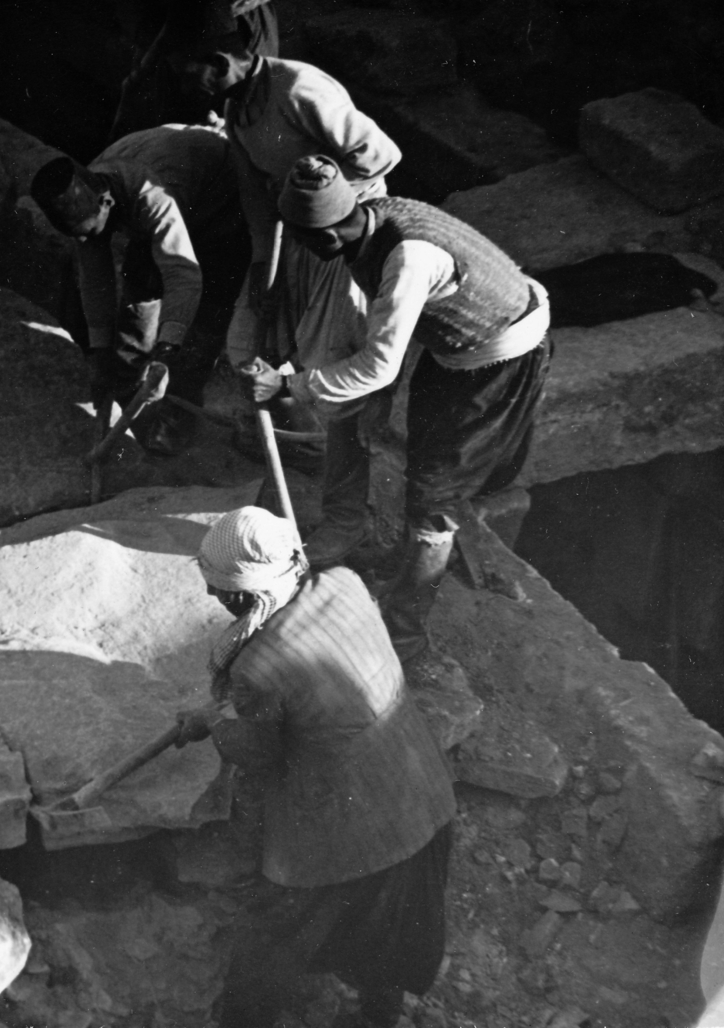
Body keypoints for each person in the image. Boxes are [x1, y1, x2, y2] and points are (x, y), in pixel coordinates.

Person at [241, 156, 552, 662]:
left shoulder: (406, 258)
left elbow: (380, 367)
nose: (300, 250)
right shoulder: (371, 217)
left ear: (325, 237)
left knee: (434, 493)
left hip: (500, 354)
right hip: (456, 345)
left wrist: (290, 386)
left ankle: (404, 633)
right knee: (422, 461)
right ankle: (406, 558)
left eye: (301, 241)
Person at [176, 506, 455, 1027]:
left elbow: (259, 753)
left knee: (270, 939)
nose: (213, 599)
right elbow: (307, 699)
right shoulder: (343, 583)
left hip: (345, 831)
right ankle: (378, 1016)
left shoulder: (257, 668)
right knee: (392, 925)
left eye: (218, 589)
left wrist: (214, 727)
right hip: (419, 790)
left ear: (243, 594)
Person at [183, 45, 402, 564]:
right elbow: (255, 197)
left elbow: (380, 156)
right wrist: (263, 263)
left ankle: (346, 518)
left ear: (219, 59)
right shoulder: (237, 110)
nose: (186, 81)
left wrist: (320, 196)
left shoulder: (299, 89)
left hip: (342, 237)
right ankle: (295, 440)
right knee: (248, 342)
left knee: (335, 373)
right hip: (289, 239)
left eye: (188, 67)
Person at [30, 124, 247, 447]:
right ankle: (133, 397)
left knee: (206, 313)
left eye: (88, 232)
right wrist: (99, 351)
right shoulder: (91, 190)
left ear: (107, 203)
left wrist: (167, 350)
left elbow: (182, 275)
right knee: (141, 287)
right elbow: (95, 279)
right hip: (174, 182)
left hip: (221, 200)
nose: (84, 241)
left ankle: (177, 415)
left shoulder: (152, 195)